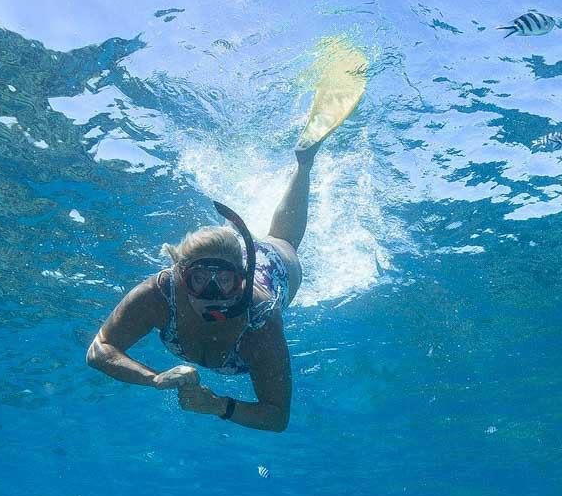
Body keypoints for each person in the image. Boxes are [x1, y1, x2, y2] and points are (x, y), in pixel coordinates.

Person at [86, 43, 367, 433]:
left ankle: (305, 162)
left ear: (243, 278)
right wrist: (153, 378)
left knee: (283, 243)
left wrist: (219, 406)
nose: (214, 292)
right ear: (179, 276)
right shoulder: (158, 293)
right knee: (276, 236)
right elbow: (99, 349)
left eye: (226, 280)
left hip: (275, 267)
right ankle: (301, 165)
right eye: (200, 279)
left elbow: (277, 416)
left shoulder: (260, 322)